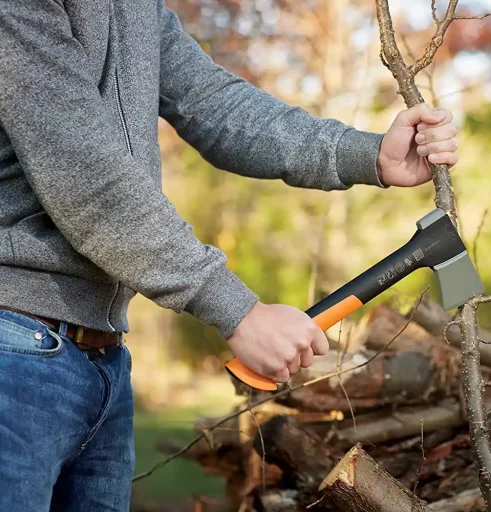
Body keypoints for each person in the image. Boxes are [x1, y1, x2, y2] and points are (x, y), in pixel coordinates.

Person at [0, 1, 459, 511]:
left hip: (102, 357)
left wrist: (369, 154)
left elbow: (216, 105)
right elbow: (85, 175)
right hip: (13, 354)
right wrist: (237, 310)